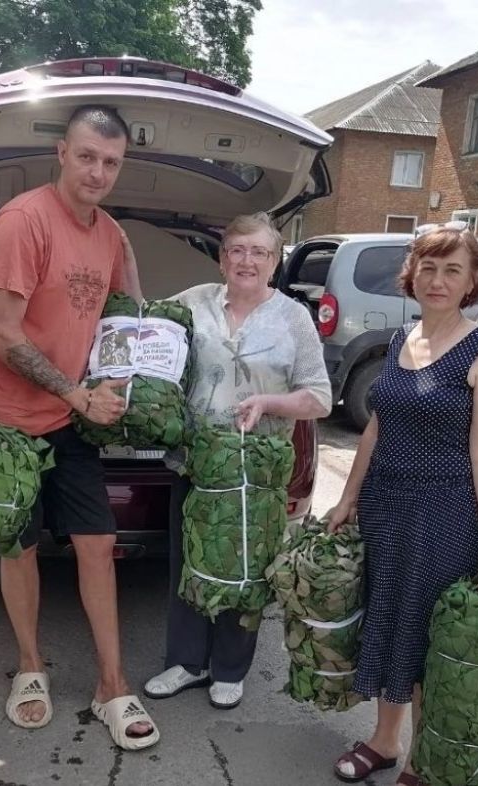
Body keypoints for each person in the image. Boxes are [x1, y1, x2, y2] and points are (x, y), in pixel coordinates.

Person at [0, 105, 158, 751]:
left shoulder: (105, 233)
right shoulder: (24, 220)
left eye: (110, 162)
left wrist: (129, 262)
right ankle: (30, 665)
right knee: (17, 548)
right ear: (63, 154)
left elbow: (119, 318)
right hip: (6, 418)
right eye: (86, 156)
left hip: (67, 415)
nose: (97, 172)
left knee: (97, 543)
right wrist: (78, 394)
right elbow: (2, 335)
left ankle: (111, 681)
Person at [324, 226, 478, 786]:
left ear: (473, 281)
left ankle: (422, 762)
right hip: (386, 509)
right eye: (428, 268)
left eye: (453, 270)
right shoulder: (404, 337)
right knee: (387, 621)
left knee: (426, 636)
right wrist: (349, 495)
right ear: (412, 274)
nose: (438, 280)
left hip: (444, 518)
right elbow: (378, 424)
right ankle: (384, 741)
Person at [143, 212, 332, 710]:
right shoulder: (191, 302)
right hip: (197, 466)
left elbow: (318, 397)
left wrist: (270, 404)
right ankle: (185, 662)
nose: (247, 261)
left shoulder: (293, 318)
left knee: (247, 570)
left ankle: (229, 668)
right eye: (237, 251)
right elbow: (149, 343)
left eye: (259, 252)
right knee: (187, 563)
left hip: (255, 474)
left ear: (274, 260)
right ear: (223, 257)